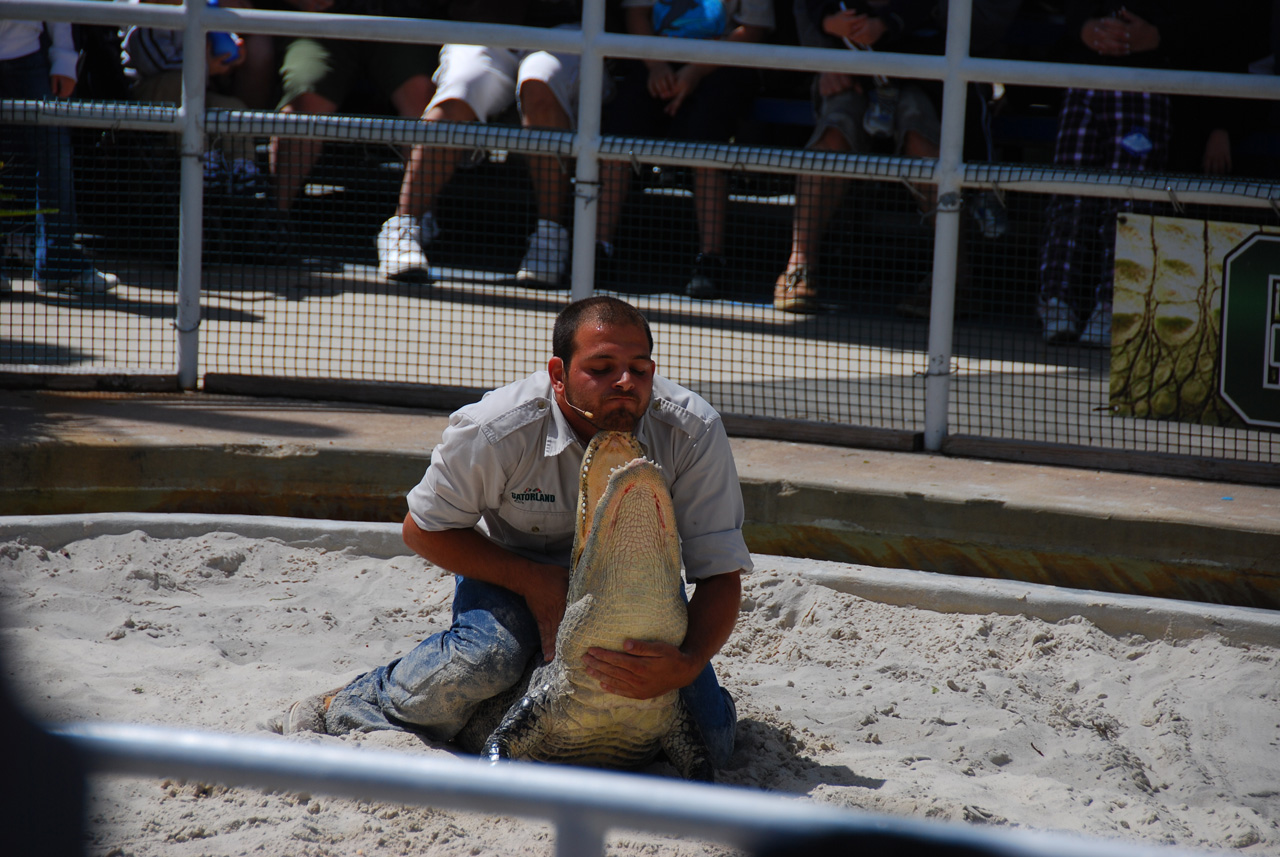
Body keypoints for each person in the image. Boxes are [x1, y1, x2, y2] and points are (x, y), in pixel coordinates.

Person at [282, 296, 750, 771]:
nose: (625, 382)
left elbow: (721, 576)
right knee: (491, 657)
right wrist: (533, 582)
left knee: (714, 742)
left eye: (640, 369)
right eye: (601, 367)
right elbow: (422, 530)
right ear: (558, 373)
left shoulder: (693, 430)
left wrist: (689, 662)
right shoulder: (495, 429)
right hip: (512, 574)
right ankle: (355, 699)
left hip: (634, 587)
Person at [375, 0, 583, 287]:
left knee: (539, 83)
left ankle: (549, 239)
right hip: (481, 25)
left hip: (566, 30)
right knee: (459, 92)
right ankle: (403, 228)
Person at [593, 0, 775, 299]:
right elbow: (637, 12)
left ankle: (711, 259)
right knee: (618, 133)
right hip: (654, 62)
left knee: (705, 140)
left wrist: (694, 71)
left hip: (724, 65)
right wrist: (655, 65)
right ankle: (600, 249)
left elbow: (752, 30)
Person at [773, 0, 941, 314]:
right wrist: (825, 44)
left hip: (920, 77)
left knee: (921, 139)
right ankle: (799, 265)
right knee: (833, 135)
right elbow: (802, 10)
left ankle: (950, 274)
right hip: (844, 75)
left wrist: (888, 24)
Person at [1036, 1, 1186, 346]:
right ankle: (1056, 302)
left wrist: (1158, 35)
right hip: (1084, 82)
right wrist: (1085, 27)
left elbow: (1205, 27)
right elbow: (1071, 16)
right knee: (1069, 197)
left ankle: (1116, 305)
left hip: (1148, 84)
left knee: (1129, 203)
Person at [269, 0, 438, 262]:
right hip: (326, 20)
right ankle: (273, 221)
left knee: (423, 97)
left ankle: (413, 221)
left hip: (400, 19)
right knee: (306, 98)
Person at [0, 19, 118, 295]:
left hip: (30, 57)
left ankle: (57, 262)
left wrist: (65, 58)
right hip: (28, 60)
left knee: (55, 155)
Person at [121, 0, 260, 199]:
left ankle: (241, 170)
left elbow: (214, 52)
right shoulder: (146, 23)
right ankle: (202, 160)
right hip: (152, 95)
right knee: (179, 83)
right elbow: (155, 64)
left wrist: (230, 56)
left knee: (232, 106)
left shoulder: (203, 12)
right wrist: (206, 67)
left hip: (196, 92)